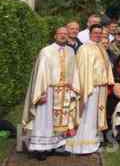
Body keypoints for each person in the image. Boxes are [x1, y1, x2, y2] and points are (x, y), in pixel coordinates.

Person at [21, 27, 79, 160]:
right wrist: (41, 93)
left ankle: (57, 145)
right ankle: (40, 148)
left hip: (65, 91)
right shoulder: (46, 51)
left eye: (65, 34)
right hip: (49, 91)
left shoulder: (71, 51)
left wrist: (73, 87)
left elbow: (74, 71)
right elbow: (40, 74)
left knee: (62, 121)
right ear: (55, 36)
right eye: (60, 34)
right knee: (44, 120)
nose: (63, 36)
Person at [66, 24, 114, 155]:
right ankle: (81, 146)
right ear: (90, 34)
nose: (98, 35)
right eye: (96, 33)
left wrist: (108, 81)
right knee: (87, 116)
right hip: (90, 88)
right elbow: (81, 71)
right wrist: (85, 88)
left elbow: (106, 67)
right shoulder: (84, 49)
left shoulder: (101, 48)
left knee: (96, 117)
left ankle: (93, 143)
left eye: (100, 33)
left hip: (101, 88)